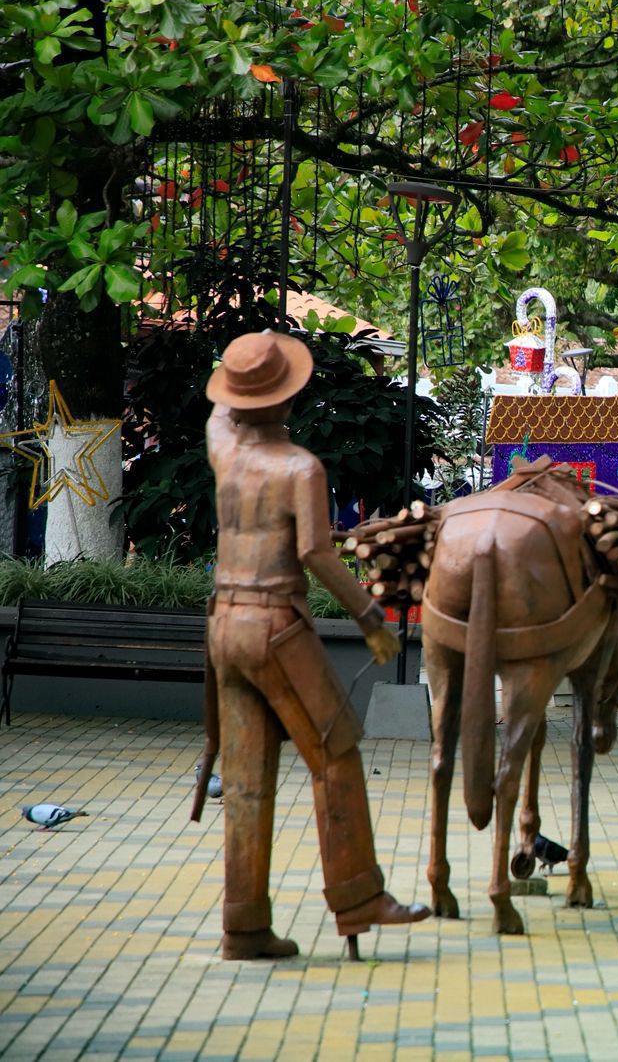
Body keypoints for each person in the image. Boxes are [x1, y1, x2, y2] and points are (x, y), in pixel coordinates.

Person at [204, 331, 431, 960]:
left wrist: (246, 369)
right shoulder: (297, 467)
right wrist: (369, 618)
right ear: (287, 400)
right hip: (275, 625)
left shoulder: (224, 450)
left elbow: (220, 411)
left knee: (248, 778)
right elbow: (313, 553)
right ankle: (359, 897)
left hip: (224, 625)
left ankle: (243, 924)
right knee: (337, 753)